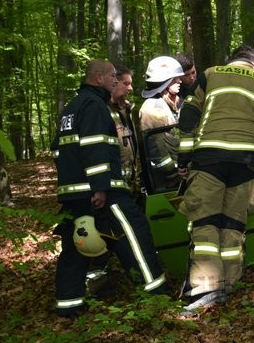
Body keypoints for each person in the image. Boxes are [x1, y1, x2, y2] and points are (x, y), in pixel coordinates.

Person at [176, 44, 254, 314]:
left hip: (209, 160)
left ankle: (206, 289)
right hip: (245, 164)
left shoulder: (212, 73)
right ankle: (228, 286)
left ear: (231, 61)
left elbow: (188, 118)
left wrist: (184, 160)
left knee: (205, 224)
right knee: (232, 226)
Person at [51, 60, 168, 317]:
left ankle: (68, 303)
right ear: (98, 77)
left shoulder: (71, 108)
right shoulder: (94, 106)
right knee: (135, 232)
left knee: (76, 246)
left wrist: (72, 188)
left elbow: (57, 151)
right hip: (103, 191)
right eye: (113, 77)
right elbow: (95, 148)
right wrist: (100, 187)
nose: (115, 81)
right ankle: (155, 292)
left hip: (76, 194)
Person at [139, 56, 184, 190]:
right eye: (175, 79)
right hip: (165, 182)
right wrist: (174, 174)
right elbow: (157, 150)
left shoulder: (168, 105)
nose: (179, 81)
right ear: (164, 81)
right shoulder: (154, 108)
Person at [109, 64, 140, 196]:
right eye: (125, 83)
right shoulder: (101, 111)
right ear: (113, 83)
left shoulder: (130, 110)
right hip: (115, 188)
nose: (130, 88)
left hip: (134, 185)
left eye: (131, 84)